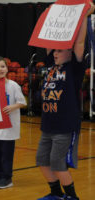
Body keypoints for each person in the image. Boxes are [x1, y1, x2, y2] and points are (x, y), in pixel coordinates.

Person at [36, 2, 94, 200]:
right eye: (55, 51)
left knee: (57, 164)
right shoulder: (53, 64)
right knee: (42, 161)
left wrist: (85, 16)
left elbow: (79, 43)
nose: (56, 53)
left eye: (60, 51)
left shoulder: (74, 67)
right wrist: (48, 18)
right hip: (47, 125)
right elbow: (48, 42)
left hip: (65, 126)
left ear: (69, 52)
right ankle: (55, 194)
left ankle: (73, 197)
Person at [0, 56, 26, 189]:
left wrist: (12, 107)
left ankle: (7, 178)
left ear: (7, 68)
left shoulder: (13, 85)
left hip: (9, 129)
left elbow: (22, 102)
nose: (0, 69)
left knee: (6, 155)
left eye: (2, 66)